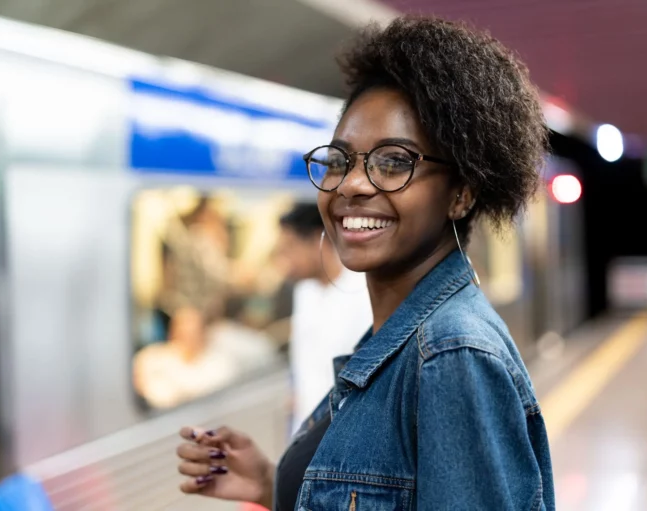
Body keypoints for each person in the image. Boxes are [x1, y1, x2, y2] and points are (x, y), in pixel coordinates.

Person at [175, 15, 555, 510]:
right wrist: (273, 482)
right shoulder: (392, 337)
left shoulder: (450, 355)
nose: (352, 184)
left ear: (461, 193)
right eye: (339, 160)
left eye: (394, 161)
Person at [273, 203, 372, 434]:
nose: (284, 259)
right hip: (304, 431)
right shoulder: (304, 291)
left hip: (343, 434)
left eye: (290, 248)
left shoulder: (362, 290)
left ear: (317, 240)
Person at [134, 306, 277, 409]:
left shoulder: (220, 364)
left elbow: (200, 396)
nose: (188, 339)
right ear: (173, 333)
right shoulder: (151, 357)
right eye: (182, 332)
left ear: (204, 334)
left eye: (193, 333)